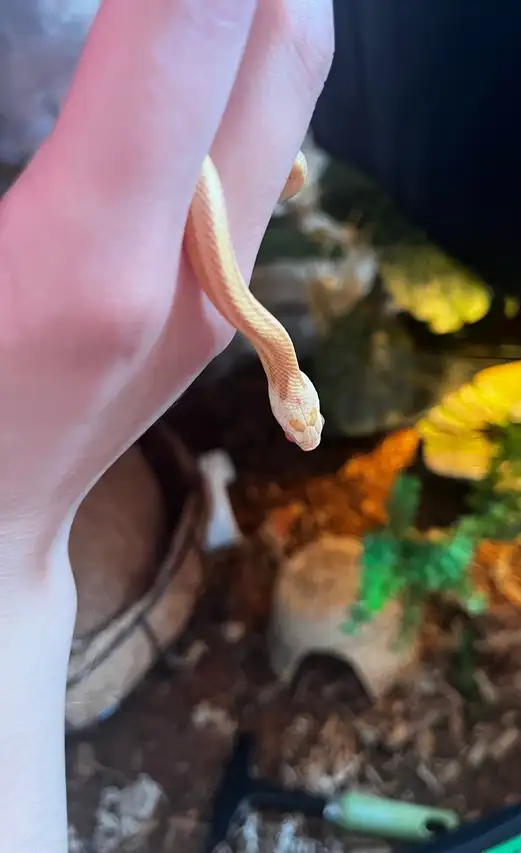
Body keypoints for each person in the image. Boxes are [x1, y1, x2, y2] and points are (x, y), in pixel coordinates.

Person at [0, 1, 333, 851]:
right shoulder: (260, 331)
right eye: (299, 423)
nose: (296, 433)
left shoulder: (263, 340)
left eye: (296, 428)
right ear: (287, 390)